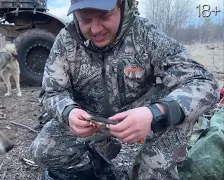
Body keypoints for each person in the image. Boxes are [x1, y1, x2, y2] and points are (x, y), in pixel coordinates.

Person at [30, 0, 220, 179]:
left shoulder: (144, 34)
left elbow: (203, 82)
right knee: (43, 151)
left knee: (179, 109)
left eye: (104, 16)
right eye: (85, 19)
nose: (95, 29)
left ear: (122, 5)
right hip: (90, 120)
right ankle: (102, 153)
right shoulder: (66, 41)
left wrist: (155, 113)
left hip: (141, 111)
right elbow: (51, 91)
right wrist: (68, 112)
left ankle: (150, 171)